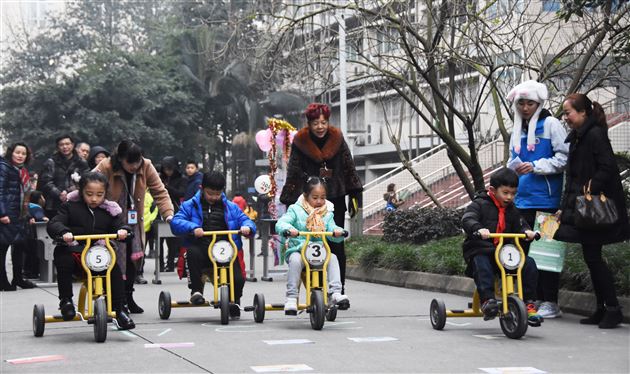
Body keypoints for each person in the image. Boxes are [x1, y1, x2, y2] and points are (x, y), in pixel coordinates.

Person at [554, 93, 629, 329]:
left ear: (583, 112)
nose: (565, 117)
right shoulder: (578, 137)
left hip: (593, 209)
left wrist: (590, 188)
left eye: (568, 112)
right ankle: (602, 308)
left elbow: (607, 167)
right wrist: (563, 207)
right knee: (592, 258)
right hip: (584, 208)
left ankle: (612, 308)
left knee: (594, 259)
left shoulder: (594, 135)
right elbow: (574, 177)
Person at [280, 103, 363, 293]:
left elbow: (349, 166)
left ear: (328, 122)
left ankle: (338, 290)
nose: (320, 127)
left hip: (334, 198)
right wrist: (292, 199)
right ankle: (311, 286)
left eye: (323, 122)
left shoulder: (338, 138)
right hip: (308, 200)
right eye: (315, 123)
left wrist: (355, 194)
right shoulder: (300, 141)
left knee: (336, 244)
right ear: (309, 123)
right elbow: (293, 170)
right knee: (306, 243)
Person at [507, 80, 569, 319]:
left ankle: (551, 302)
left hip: (548, 202)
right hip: (520, 201)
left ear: (539, 103)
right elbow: (513, 161)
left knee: (548, 254)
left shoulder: (551, 124)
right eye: (520, 103)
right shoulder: (517, 128)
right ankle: (529, 300)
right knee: (523, 253)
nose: (524, 108)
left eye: (529, 103)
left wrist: (534, 167)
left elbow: (564, 158)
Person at [46, 172, 135, 329]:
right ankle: (66, 301)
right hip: (75, 251)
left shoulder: (110, 211)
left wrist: (123, 231)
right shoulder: (70, 206)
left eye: (99, 195)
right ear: (81, 192)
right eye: (89, 194)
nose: (94, 199)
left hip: (97, 252)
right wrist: (63, 232)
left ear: (105, 194)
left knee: (113, 269)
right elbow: (55, 223)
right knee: (63, 258)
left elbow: (120, 225)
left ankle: (120, 308)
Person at [94, 140, 174, 314]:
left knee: (133, 259)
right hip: (110, 220)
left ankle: (128, 297)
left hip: (133, 221)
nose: (134, 166)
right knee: (113, 258)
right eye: (130, 163)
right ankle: (114, 299)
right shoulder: (106, 166)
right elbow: (89, 185)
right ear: (120, 158)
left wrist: (168, 214)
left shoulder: (146, 166)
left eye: (137, 162)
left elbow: (160, 192)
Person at [461, 168, 543, 326]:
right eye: (505, 193)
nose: (509, 197)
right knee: (481, 262)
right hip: (482, 251)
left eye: (513, 193)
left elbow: (521, 225)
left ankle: (529, 303)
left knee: (529, 264)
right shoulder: (479, 204)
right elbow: (468, 218)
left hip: (504, 255)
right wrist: (477, 228)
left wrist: (528, 232)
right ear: (492, 190)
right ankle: (487, 300)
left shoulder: (512, 210)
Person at [170, 171, 255, 319]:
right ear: (202, 188)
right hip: (202, 247)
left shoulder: (231, 207)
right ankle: (196, 291)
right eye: (210, 193)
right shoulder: (190, 205)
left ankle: (233, 301)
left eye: (218, 194)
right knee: (192, 253)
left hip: (225, 249)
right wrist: (192, 227)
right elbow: (176, 222)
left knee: (238, 279)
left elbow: (247, 220)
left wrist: (247, 227)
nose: (214, 197)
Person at [276, 177, 349, 314]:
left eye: (322, 197)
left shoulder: (327, 213)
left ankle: (335, 292)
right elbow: (282, 222)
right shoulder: (295, 210)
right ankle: (291, 297)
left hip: (318, 252)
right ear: (306, 196)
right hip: (299, 250)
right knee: (295, 260)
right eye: (315, 198)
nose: (319, 201)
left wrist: (338, 232)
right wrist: (288, 229)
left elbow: (332, 227)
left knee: (332, 258)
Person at [0, 142, 36, 290]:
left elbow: (26, 195)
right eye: (17, 152)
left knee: (20, 246)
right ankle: (2, 281)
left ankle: (18, 278)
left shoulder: (22, 171)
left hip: (19, 214)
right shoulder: (4, 167)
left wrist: (28, 215)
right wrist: (2, 213)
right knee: (3, 248)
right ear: (11, 153)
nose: (20, 156)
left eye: (23, 153)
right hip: (7, 213)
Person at [40, 135, 89, 218]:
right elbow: (46, 182)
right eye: (61, 144)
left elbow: (86, 180)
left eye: (67, 144)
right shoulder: (51, 162)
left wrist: (68, 192)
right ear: (58, 147)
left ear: (73, 145)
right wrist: (59, 194)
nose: (65, 147)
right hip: (54, 204)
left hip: (76, 202)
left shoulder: (81, 162)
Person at [159, 156, 187, 273]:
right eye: (166, 169)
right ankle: (159, 264)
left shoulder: (181, 179)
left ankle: (170, 263)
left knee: (172, 240)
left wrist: (166, 188)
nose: (168, 172)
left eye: (170, 169)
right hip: (158, 209)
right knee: (159, 240)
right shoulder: (160, 178)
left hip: (174, 209)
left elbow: (181, 193)